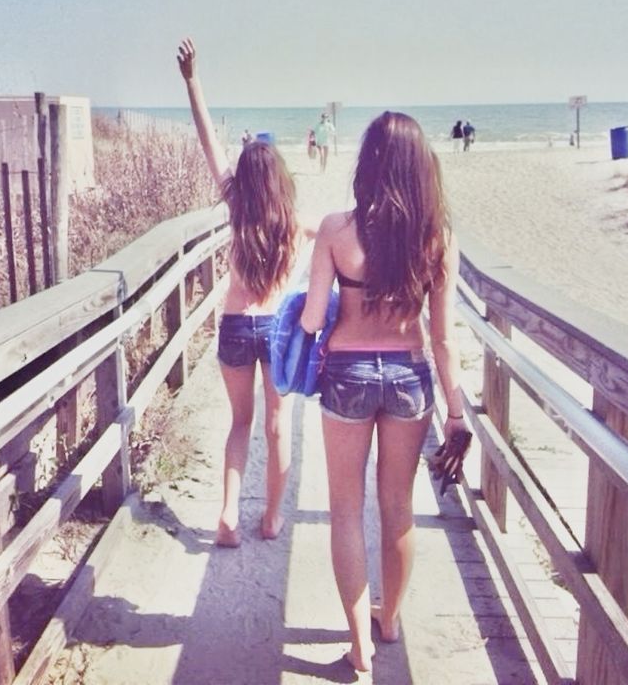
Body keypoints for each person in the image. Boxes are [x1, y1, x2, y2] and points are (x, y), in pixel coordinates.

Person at [300, 111, 469, 674]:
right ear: (421, 167)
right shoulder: (437, 238)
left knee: (346, 510)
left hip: (346, 375)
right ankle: (389, 619)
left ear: (367, 162)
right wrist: (457, 414)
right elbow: (443, 340)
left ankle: (358, 642)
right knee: (397, 508)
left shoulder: (335, 231)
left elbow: (310, 319)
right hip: (410, 376)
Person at [177, 37, 299, 547]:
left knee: (239, 424)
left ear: (245, 180)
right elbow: (341, 229)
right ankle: (271, 518)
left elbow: (210, 143)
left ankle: (228, 515)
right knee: (277, 425)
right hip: (273, 328)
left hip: (233, 326)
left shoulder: (237, 206)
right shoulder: (292, 220)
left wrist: (192, 80)